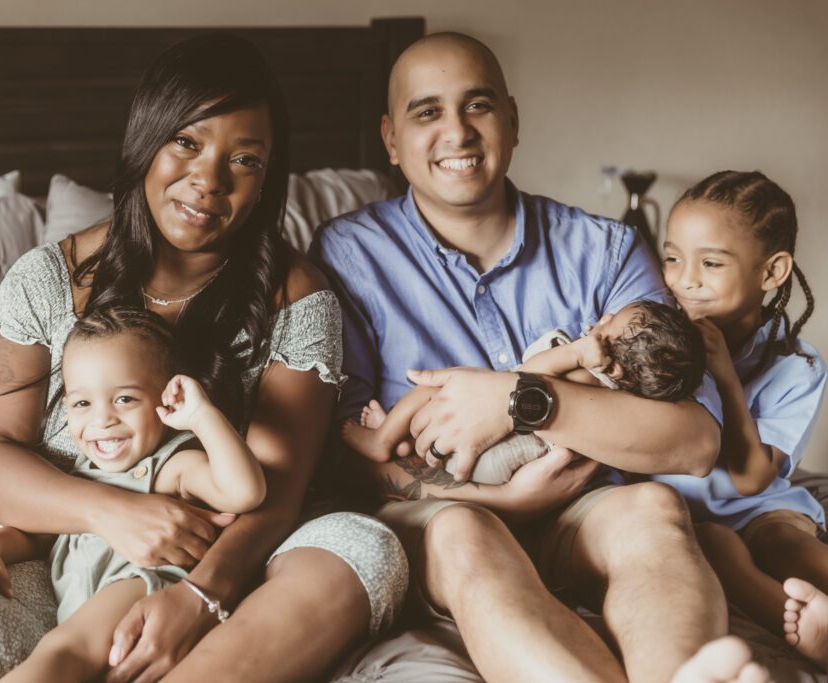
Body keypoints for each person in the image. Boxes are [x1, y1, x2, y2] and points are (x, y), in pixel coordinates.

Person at [0, 34, 406, 683]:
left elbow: (278, 485)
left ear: (268, 177)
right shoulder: (48, 279)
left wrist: (199, 597)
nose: (208, 180)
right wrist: (113, 511)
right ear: (146, 139)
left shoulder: (295, 294)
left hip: (232, 553)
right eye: (186, 142)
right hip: (63, 547)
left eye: (244, 159)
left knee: (367, 549)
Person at [312, 31, 770, 683]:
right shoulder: (348, 256)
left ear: (513, 119)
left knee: (654, 511)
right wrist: (509, 501)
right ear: (391, 138)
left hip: (586, 513)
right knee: (464, 532)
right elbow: (339, 454)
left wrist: (518, 399)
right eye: (427, 111)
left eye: (478, 105)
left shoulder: (605, 250)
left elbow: (694, 442)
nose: (458, 132)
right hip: (444, 517)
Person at [0, 307, 268, 682]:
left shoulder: (169, 469)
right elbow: (32, 534)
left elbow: (244, 493)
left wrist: (201, 416)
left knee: (62, 652)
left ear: (166, 400)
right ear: (66, 409)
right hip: (83, 613)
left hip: (138, 587)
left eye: (124, 399)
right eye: (82, 404)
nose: (102, 419)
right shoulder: (75, 479)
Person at [654, 170, 828, 664]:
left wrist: (726, 375)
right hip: (684, 518)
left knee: (784, 545)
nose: (684, 279)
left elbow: (753, 477)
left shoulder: (797, 365)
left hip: (761, 508)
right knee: (713, 546)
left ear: (772, 272)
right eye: (672, 258)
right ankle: (806, 631)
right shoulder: (656, 346)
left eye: (710, 263)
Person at [343, 299, 706, 484]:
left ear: (614, 368)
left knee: (435, 388)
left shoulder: (588, 376)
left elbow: (523, 386)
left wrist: (576, 352)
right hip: (494, 464)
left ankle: (382, 438)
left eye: (610, 327)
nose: (603, 319)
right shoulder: (618, 400)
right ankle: (405, 442)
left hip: (500, 460)